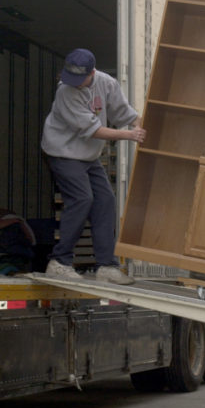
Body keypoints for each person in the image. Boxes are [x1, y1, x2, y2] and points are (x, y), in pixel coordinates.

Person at [41, 48, 146, 285]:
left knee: (105, 201)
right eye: (71, 79)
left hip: (88, 156)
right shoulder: (65, 92)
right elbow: (94, 130)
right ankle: (59, 262)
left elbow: (125, 113)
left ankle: (106, 266)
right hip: (62, 152)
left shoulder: (107, 83)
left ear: (92, 72)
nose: (75, 84)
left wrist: (142, 125)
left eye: (81, 79)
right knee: (82, 199)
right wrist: (131, 135)